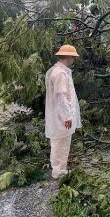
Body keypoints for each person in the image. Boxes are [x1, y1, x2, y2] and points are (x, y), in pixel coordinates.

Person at [45, 44, 82, 181]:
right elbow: (61, 97)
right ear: (69, 57)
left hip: (57, 114)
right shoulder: (60, 73)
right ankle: (59, 171)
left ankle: (58, 169)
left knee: (57, 142)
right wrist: (67, 116)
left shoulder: (56, 71)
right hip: (61, 115)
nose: (73, 60)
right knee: (62, 143)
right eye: (73, 57)